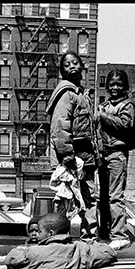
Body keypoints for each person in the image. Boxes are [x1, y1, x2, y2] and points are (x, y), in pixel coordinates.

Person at [47, 51, 100, 239]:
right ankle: (57, 239)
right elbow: (60, 128)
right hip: (70, 161)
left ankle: (90, 238)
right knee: (65, 201)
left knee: (88, 200)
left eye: (75, 63)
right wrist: (67, 156)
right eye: (67, 64)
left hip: (84, 159)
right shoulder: (66, 94)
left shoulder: (81, 95)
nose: (72, 66)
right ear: (62, 71)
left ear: (82, 66)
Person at [96, 69, 135, 250]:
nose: (114, 87)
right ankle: (104, 232)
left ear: (125, 87)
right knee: (103, 197)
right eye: (111, 84)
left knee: (115, 197)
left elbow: (125, 125)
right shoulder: (104, 105)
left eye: (118, 84)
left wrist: (103, 116)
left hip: (117, 154)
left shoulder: (127, 105)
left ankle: (119, 235)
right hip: (103, 154)